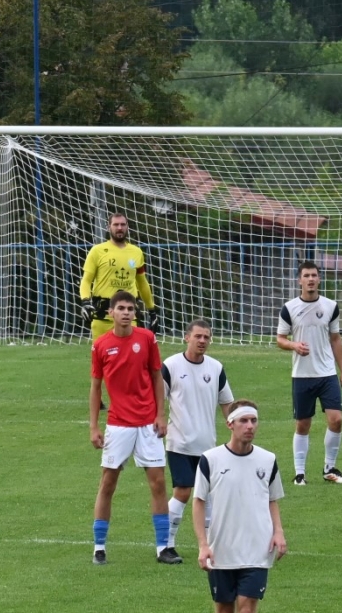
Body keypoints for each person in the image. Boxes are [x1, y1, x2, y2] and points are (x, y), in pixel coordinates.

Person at [191, 401, 287, 613]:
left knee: (247, 611)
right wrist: (203, 545)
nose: (250, 426)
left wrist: (279, 532)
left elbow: (272, 499)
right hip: (222, 550)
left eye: (254, 421)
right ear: (230, 424)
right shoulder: (210, 460)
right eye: (244, 421)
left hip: (257, 549)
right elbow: (198, 502)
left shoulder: (268, 460)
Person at [89, 292, 172, 565]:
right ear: (111, 313)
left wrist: (161, 414)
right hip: (118, 425)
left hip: (148, 424)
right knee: (108, 483)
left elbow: (157, 377)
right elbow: (95, 387)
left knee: (158, 483)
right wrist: (94, 426)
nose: (126, 312)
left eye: (130, 309)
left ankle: (163, 547)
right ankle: (99, 547)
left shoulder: (147, 339)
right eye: (121, 308)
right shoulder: (101, 345)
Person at [162, 318, 236, 563]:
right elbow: (158, 398)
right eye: (198, 336)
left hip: (207, 446)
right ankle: (166, 545)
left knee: (209, 495)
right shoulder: (171, 365)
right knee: (183, 492)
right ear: (187, 337)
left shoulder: (215, 368)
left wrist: (235, 425)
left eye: (206, 337)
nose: (202, 341)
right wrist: (157, 422)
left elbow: (227, 402)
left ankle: (211, 547)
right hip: (179, 443)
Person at [275, 260, 342, 485]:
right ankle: (300, 474)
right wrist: (294, 345)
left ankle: (330, 468)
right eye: (306, 275)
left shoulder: (331, 306)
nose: (310, 279)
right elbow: (280, 339)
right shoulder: (289, 308)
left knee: (336, 420)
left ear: (319, 279)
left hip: (327, 374)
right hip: (302, 375)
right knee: (303, 424)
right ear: (299, 280)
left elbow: (336, 339)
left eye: (314, 275)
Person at [81, 212, 156, 342]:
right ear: (108, 227)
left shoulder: (136, 252)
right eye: (116, 225)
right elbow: (86, 280)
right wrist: (85, 302)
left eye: (122, 224)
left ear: (127, 226)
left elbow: (142, 283)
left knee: (131, 353)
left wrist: (152, 310)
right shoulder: (97, 251)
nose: (119, 228)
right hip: (103, 316)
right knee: (102, 353)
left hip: (129, 316)